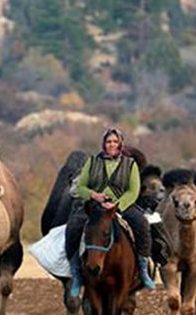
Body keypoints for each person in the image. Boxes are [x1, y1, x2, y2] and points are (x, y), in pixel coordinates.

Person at [65, 128, 154, 298]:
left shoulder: (130, 164)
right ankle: (76, 274)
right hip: (94, 206)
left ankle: (143, 269)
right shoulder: (92, 162)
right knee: (73, 227)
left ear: (120, 143)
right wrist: (94, 195)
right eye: (108, 142)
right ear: (103, 144)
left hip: (121, 205)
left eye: (115, 141)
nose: (111, 145)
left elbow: (133, 190)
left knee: (141, 224)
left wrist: (117, 205)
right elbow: (81, 187)